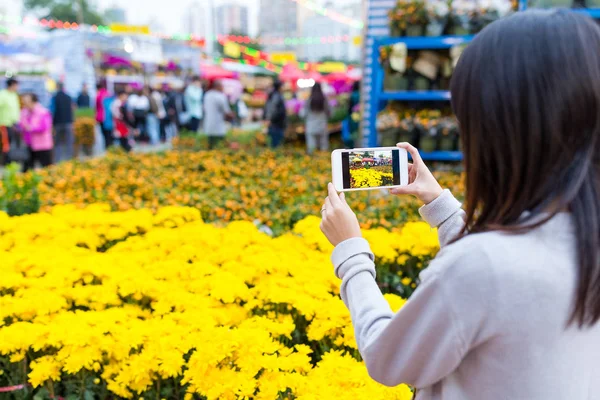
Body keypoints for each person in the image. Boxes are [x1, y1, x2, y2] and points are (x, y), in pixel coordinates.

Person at [319, 10, 600, 400]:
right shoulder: (582, 238)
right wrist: (441, 206)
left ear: (501, 131)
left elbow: (388, 359)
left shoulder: (481, 267)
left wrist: (351, 252)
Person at [20, 93, 53, 171]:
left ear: (33, 101)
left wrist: (31, 128)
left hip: (42, 144)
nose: (24, 103)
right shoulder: (25, 112)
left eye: (26, 101)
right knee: (27, 168)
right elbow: (21, 124)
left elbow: (45, 127)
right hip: (29, 143)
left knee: (47, 167)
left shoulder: (43, 112)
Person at [203, 80, 233, 149]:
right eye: (222, 86)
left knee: (211, 144)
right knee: (220, 144)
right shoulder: (220, 96)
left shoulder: (207, 95)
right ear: (218, 86)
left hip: (209, 123)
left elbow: (204, 108)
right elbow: (226, 111)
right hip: (218, 124)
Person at [304, 82, 330, 154]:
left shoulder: (309, 99)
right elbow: (329, 111)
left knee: (311, 145)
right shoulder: (324, 99)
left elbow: (304, 113)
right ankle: (324, 159)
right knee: (323, 144)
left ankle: (312, 160)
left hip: (311, 124)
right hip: (322, 123)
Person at [51, 82, 74, 162]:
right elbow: (72, 109)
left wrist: (52, 123)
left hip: (58, 123)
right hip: (68, 122)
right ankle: (69, 160)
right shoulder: (68, 97)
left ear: (57, 87)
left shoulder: (54, 97)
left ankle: (58, 160)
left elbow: (52, 110)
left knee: (58, 143)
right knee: (69, 142)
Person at [0, 77, 20, 165]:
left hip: (14, 124)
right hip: (4, 124)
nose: (17, 87)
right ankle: (5, 163)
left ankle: (10, 161)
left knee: (12, 143)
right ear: (12, 85)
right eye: (16, 85)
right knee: (5, 144)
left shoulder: (14, 95)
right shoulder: (3, 95)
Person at [264, 80, 287, 148]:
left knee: (275, 140)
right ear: (279, 87)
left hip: (276, 122)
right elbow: (272, 109)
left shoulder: (275, 95)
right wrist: (269, 119)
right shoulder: (276, 96)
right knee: (276, 141)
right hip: (276, 122)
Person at [95, 82, 112, 149]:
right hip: (109, 117)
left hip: (101, 117)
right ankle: (109, 147)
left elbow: (96, 107)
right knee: (109, 133)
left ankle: (106, 147)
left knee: (104, 133)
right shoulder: (108, 94)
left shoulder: (98, 95)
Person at [345, 81, 360, 148]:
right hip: (360, 116)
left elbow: (349, 107)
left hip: (352, 116)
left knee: (352, 132)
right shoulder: (361, 95)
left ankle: (352, 147)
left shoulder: (353, 95)